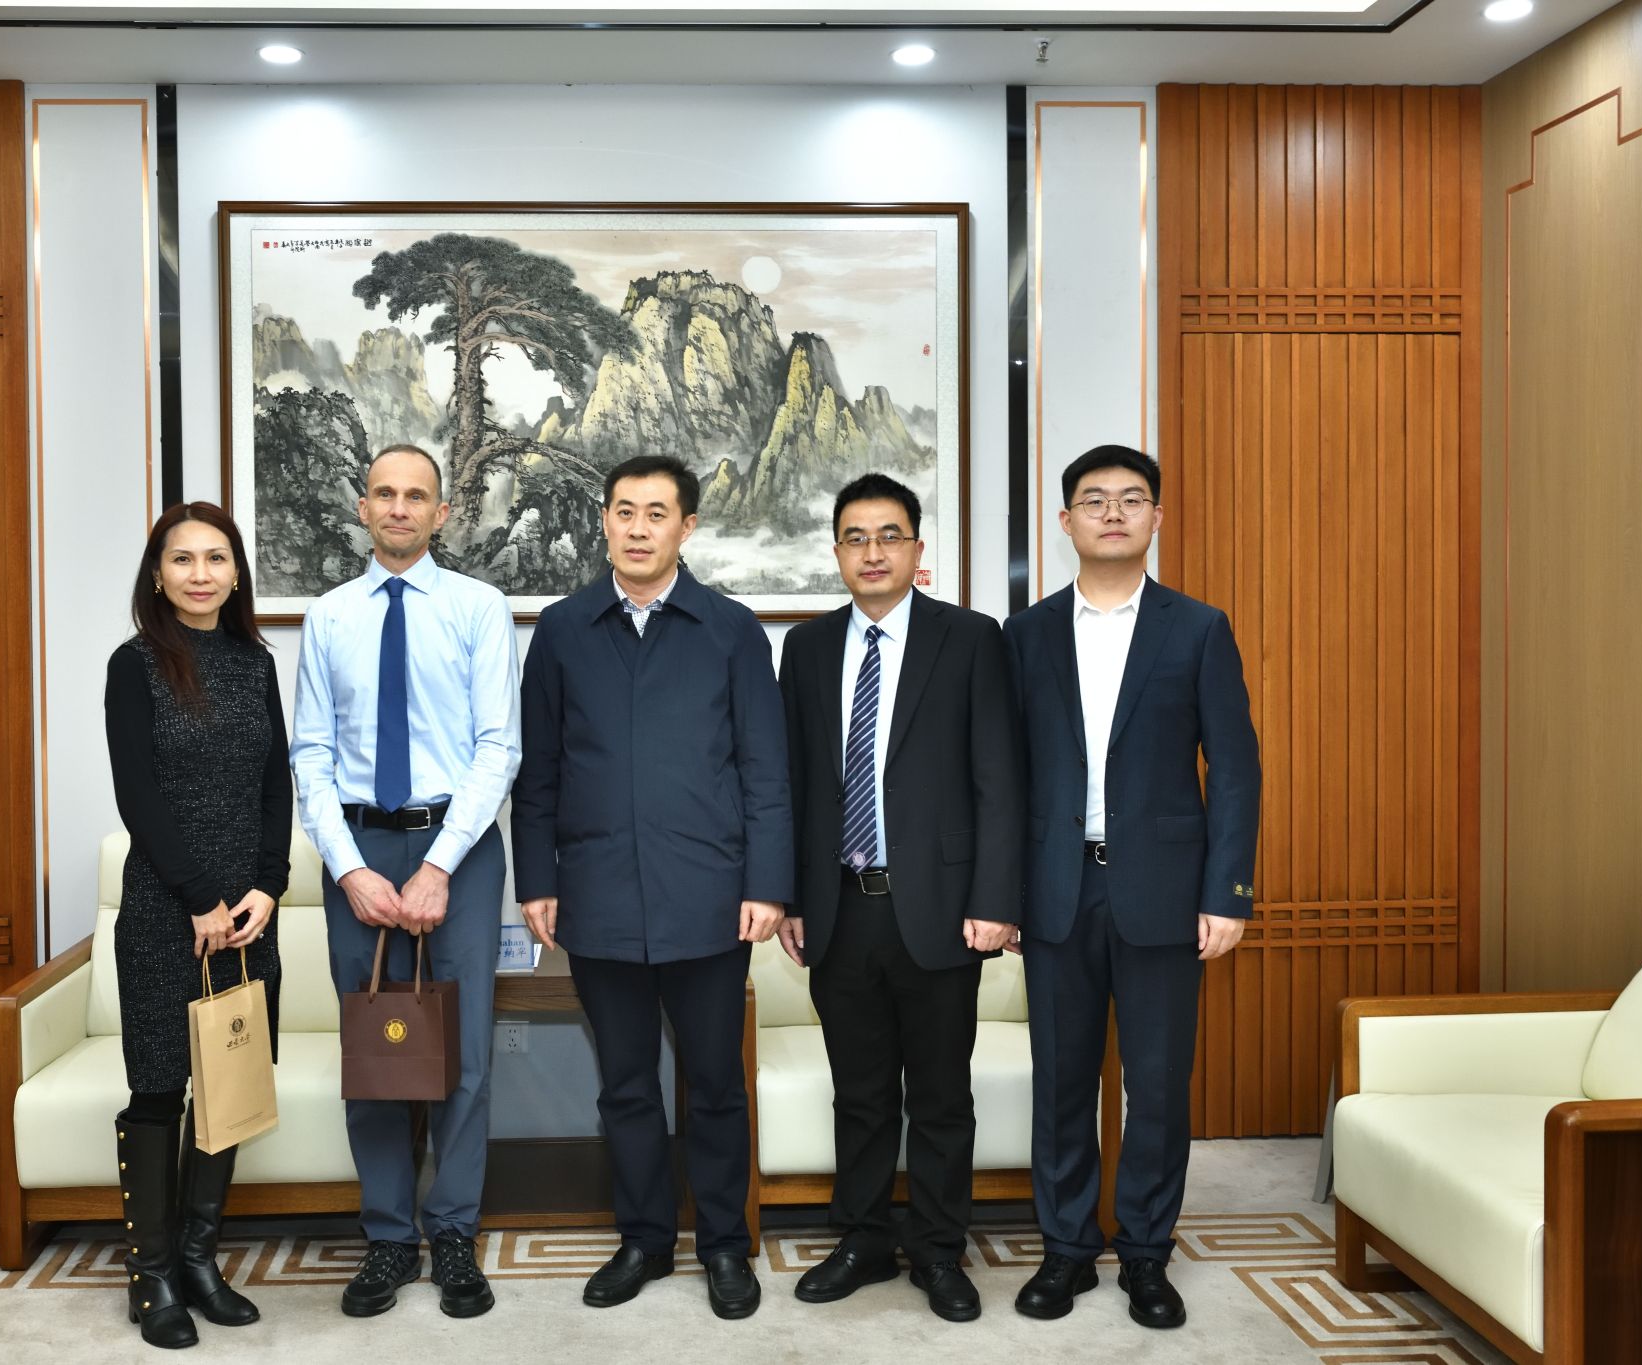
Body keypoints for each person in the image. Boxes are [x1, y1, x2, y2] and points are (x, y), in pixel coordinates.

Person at [513, 453, 793, 1320]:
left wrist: (768, 883)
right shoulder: (563, 629)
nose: (638, 528)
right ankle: (643, 1237)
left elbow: (765, 770)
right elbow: (539, 770)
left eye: (656, 513)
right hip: (597, 894)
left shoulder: (730, 628)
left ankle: (724, 1244)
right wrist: (536, 878)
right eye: (624, 511)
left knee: (714, 1083)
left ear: (687, 527)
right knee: (625, 1083)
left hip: (710, 897)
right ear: (604, 519)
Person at [1003, 444, 1260, 1330]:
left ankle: (1147, 1251)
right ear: (1065, 520)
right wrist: (1001, 893)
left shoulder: (1198, 628)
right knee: (1061, 1081)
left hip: (1165, 889)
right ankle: (1067, 1249)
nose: (1112, 513)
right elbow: (1004, 776)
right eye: (1094, 499)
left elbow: (1235, 769)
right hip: (1056, 886)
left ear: (1156, 518)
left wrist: (1228, 892)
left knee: (1156, 1084)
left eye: (1131, 499)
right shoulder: (1026, 634)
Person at [775, 473, 1025, 1323]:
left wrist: (996, 897)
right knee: (861, 1092)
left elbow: (999, 778)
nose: (872, 551)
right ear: (837, 551)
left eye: (889, 535)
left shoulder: (970, 638)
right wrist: (792, 897)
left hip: (943, 909)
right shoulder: (807, 649)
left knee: (942, 1096)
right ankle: (864, 1237)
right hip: (840, 906)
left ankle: (940, 1248)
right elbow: (797, 785)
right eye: (856, 536)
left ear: (918, 548)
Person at [291, 444, 520, 1320]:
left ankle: (453, 1230)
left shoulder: (477, 607)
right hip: (358, 851)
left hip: (457, 850)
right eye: (384, 493)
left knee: (462, 1050)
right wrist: (348, 867)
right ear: (363, 507)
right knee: (374, 1047)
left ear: (441, 513)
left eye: (415, 495)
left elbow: (498, 747)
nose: (398, 507)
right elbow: (311, 753)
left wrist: (437, 865)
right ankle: (388, 1235)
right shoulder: (329, 617)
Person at [104, 501, 290, 1348]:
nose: (201, 573)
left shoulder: (255, 663)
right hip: (163, 912)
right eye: (183, 559)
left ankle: (199, 1259)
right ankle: (151, 1275)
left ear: (236, 571)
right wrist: (198, 897)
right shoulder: (135, 664)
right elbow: (137, 793)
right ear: (158, 573)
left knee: (230, 1080)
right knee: (159, 1086)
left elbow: (276, 784)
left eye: (217, 557)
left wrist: (268, 887)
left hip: (247, 917)